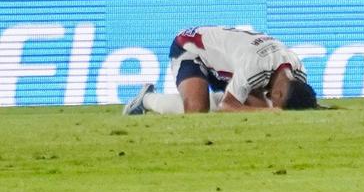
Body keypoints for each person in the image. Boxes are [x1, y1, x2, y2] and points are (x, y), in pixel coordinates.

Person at [122, 26, 317, 114]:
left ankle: (215, 96)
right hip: (192, 49)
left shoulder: (299, 71)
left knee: (256, 108)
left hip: (230, 65)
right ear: (279, 92)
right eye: (278, 101)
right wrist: (271, 113)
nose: (275, 104)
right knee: (197, 110)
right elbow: (228, 106)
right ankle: (146, 99)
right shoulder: (255, 66)